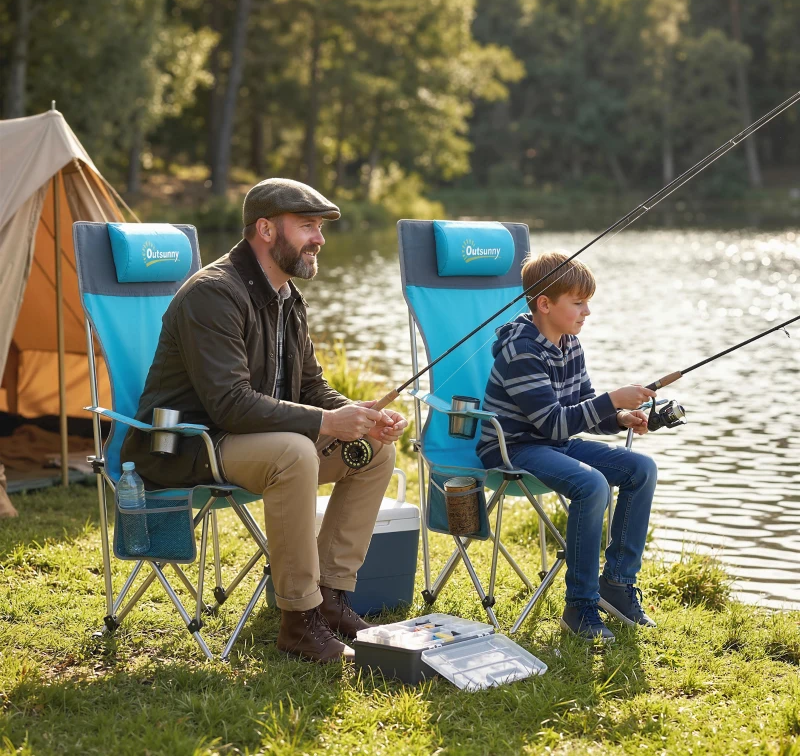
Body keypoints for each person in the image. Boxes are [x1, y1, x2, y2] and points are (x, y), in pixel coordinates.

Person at [121, 178, 407, 663]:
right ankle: (299, 621)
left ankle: (332, 598)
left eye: (320, 227)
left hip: (253, 441)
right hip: (189, 444)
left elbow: (311, 387)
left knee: (375, 451)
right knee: (294, 452)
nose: (319, 238)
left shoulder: (289, 298)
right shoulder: (213, 295)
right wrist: (325, 423)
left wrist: (357, 417)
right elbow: (230, 404)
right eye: (307, 226)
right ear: (266, 230)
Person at [477, 251, 658, 643]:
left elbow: (582, 407)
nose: (586, 312)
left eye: (586, 302)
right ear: (545, 304)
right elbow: (554, 421)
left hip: (554, 443)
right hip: (513, 448)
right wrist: (613, 399)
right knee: (591, 485)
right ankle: (580, 605)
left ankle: (618, 585)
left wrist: (620, 417)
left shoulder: (569, 344)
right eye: (578, 302)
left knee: (641, 470)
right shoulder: (521, 350)